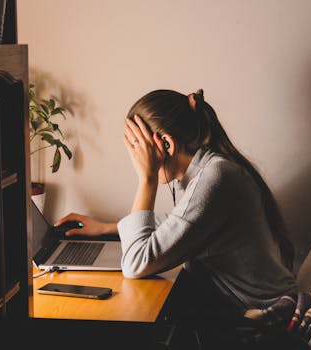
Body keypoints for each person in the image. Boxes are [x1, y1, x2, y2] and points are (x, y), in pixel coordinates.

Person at [55, 88, 298, 338]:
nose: (134, 159)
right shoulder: (212, 169)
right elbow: (182, 225)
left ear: (167, 145)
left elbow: (136, 263)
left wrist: (146, 178)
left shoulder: (214, 178)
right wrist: (108, 227)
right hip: (238, 309)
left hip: (258, 322)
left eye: (137, 149)